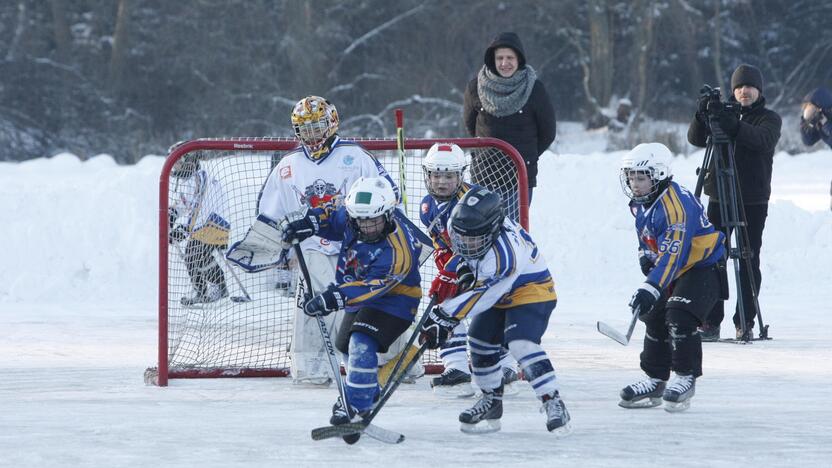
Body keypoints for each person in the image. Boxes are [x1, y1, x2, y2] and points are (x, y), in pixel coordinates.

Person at [227, 95, 405, 385]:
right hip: (313, 248)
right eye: (304, 129)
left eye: (316, 126)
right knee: (312, 303)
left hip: (358, 244)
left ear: (331, 123)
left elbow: (388, 195)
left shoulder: (356, 157)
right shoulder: (289, 166)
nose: (311, 135)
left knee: (376, 297)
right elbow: (271, 213)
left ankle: (396, 362)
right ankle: (312, 366)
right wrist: (268, 246)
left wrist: (397, 238)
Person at [418, 187, 571, 435]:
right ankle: (492, 401)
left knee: (520, 344)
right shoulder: (475, 229)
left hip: (530, 290)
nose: (466, 243)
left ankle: (552, 401)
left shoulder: (505, 255)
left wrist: (445, 316)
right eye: (462, 237)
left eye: (472, 239)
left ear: (491, 231)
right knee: (479, 343)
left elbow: (483, 295)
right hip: (497, 289)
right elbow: (465, 254)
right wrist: (452, 272)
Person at [281, 176, 423, 443]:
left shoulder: (399, 249)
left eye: (374, 220)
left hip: (397, 300)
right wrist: (307, 224)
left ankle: (355, 404)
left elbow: (371, 286)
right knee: (345, 345)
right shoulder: (354, 216)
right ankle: (364, 391)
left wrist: (332, 297)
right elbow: (331, 216)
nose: (367, 227)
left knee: (360, 343)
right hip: (358, 293)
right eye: (361, 220)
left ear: (388, 214)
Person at [617, 143, 726, 413]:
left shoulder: (675, 206)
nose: (635, 183)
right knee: (653, 314)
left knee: (679, 314)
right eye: (631, 176)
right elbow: (648, 237)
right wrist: (645, 256)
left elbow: (674, 256)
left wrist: (650, 286)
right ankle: (655, 378)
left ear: (659, 175)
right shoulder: (643, 202)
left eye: (641, 177)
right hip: (676, 268)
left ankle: (685, 376)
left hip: (703, 268)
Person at [687, 64, 782, 341]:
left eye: (749, 86)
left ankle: (745, 321)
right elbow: (695, 139)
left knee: (748, 260)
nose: (743, 91)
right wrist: (702, 113)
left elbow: (762, 140)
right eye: (739, 87)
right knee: (713, 258)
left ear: (758, 90)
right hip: (719, 195)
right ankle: (709, 321)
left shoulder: (769, 118)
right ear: (733, 90)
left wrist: (735, 126)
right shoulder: (722, 113)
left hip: (752, 199)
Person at [419, 142, 521, 397]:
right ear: (427, 175)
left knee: (490, 312)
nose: (441, 182)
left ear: (460, 175)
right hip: (466, 265)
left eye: (449, 176)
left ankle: (507, 366)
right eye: (436, 175)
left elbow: (486, 247)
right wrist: (448, 269)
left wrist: (455, 270)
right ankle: (457, 369)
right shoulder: (427, 207)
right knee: (445, 308)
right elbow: (442, 243)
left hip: (494, 267)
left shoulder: (474, 203)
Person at [462, 32, 556, 204]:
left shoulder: (535, 89)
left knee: (514, 229)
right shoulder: (475, 87)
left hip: (519, 178)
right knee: (481, 229)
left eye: (510, 58)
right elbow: (470, 125)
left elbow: (548, 132)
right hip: (484, 176)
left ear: (519, 59)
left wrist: (526, 155)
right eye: (500, 58)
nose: (505, 63)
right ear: (492, 59)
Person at [168, 152, 231, 306]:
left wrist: (183, 230)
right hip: (204, 225)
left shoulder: (200, 176)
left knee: (195, 252)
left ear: (188, 161)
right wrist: (172, 214)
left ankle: (219, 286)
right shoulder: (191, 180)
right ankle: (201, 292)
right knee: (190, 255)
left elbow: (198, 207)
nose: (174, 167)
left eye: (177, 162)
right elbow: (186, 202)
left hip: (215, 224)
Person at [799, 86, 832, 212]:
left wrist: (826, 124)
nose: (809, 112)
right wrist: (804, 123)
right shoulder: (820, 122)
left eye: (812, 109)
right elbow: (808, 141)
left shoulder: (825, 121)